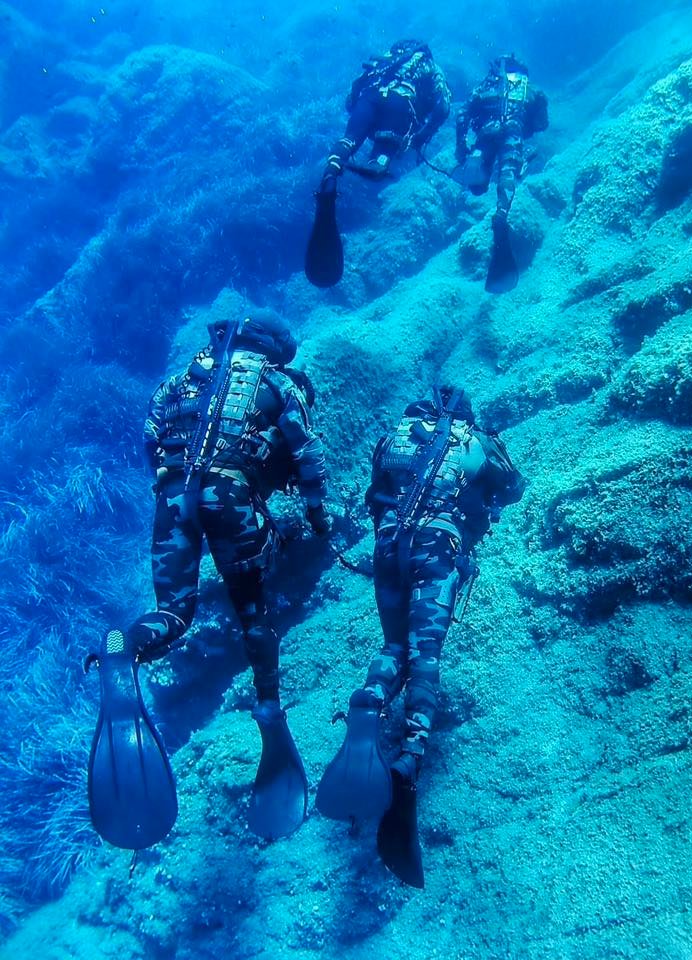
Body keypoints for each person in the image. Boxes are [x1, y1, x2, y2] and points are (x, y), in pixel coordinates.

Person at [87, 312, 330, 850]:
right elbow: (307, 455)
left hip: (172, 498)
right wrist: (318, 521)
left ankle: (122, 651)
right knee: (252, 614)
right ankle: (269, 711)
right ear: (270, 347)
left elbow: (152, 441)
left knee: (173, 612)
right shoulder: (277, 383)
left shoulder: (176, 382)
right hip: (231, 497)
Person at [316, 386, 524, 887]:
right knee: (424, 653)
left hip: (389, 547)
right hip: (438, 547)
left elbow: (375, 497)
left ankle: (368, 705)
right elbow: (514, 487)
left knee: (394, 648)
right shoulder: (475, 440)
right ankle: (410, 757)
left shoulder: (394, 437)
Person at [305, 39, 451, 288]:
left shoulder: (385, 61)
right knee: (381, 156)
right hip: (401, 105)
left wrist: (364, 111)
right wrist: (420, 137)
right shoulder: (431, 67)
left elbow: (351, 97)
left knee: (348, 141)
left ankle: (331, 174)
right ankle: (379, 161)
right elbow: (443, 106)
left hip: (370, 98)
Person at [455, 54, 548, 293]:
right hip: (513, 131)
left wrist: (461, 148)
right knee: (508, 171)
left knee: (476, 183)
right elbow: (541, 124)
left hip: (486, 132)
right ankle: (501, 215)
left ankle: (477, 176)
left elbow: (462, 115)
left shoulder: (486, 86)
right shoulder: (532, 90)